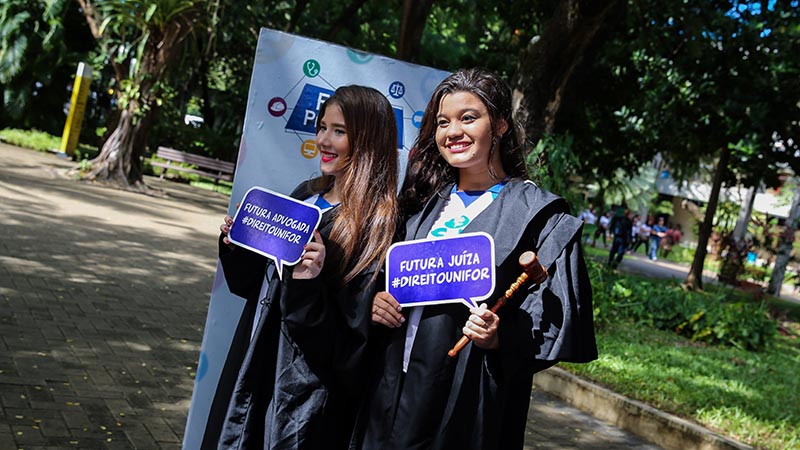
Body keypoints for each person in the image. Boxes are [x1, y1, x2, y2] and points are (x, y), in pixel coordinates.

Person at [353, 68, 597, 450]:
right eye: (443, 122)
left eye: (469, 118)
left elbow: (557, 317)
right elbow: (380, 277)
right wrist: (375, 300)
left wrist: (501, 336)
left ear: (499, 125)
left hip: (466, 393)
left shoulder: (537, 213)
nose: (453, 132)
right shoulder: (422, 206)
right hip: (391, 385)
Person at [206, 85, 399, 449]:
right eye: (322, 127)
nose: (324, 140)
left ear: (369, 140)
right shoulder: (304, 194)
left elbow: (347, 350)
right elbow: (257, 288)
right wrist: (237, 247)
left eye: (339, 131)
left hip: (302, 397)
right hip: (257, 364)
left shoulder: (377, 230)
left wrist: (309, 283)